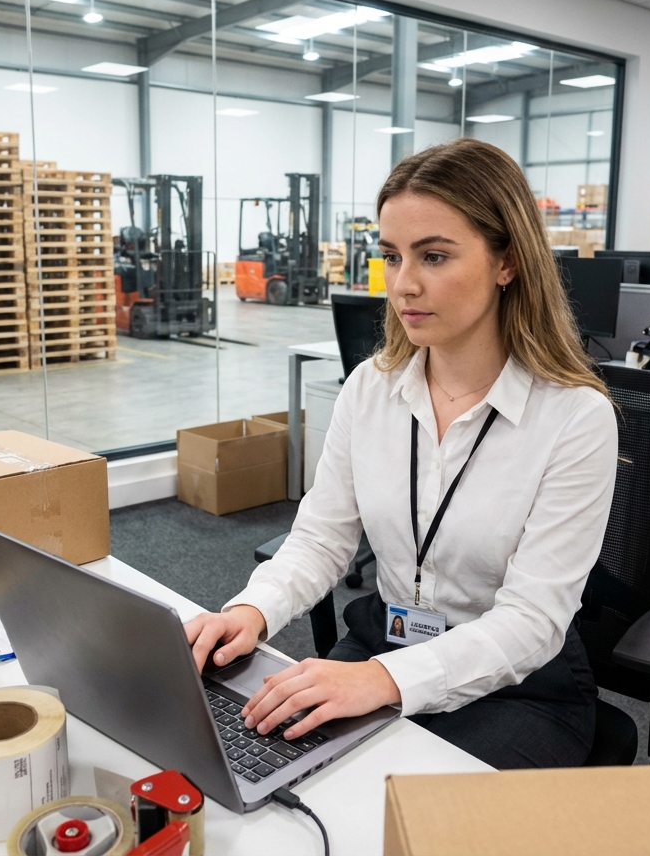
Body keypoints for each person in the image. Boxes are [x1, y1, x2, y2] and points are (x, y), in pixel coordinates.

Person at [184, 139, 618, 769]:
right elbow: (321, 538)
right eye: (392, 256)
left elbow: (531, 623)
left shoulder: (575, 417)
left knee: (396, 814)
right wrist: (254, 608)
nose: (403, 284)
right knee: (263, 770)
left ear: (508, 263)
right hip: (383, 645)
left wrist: (383, 682)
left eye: (434, 256)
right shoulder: (371, 388)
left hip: (518, 684)